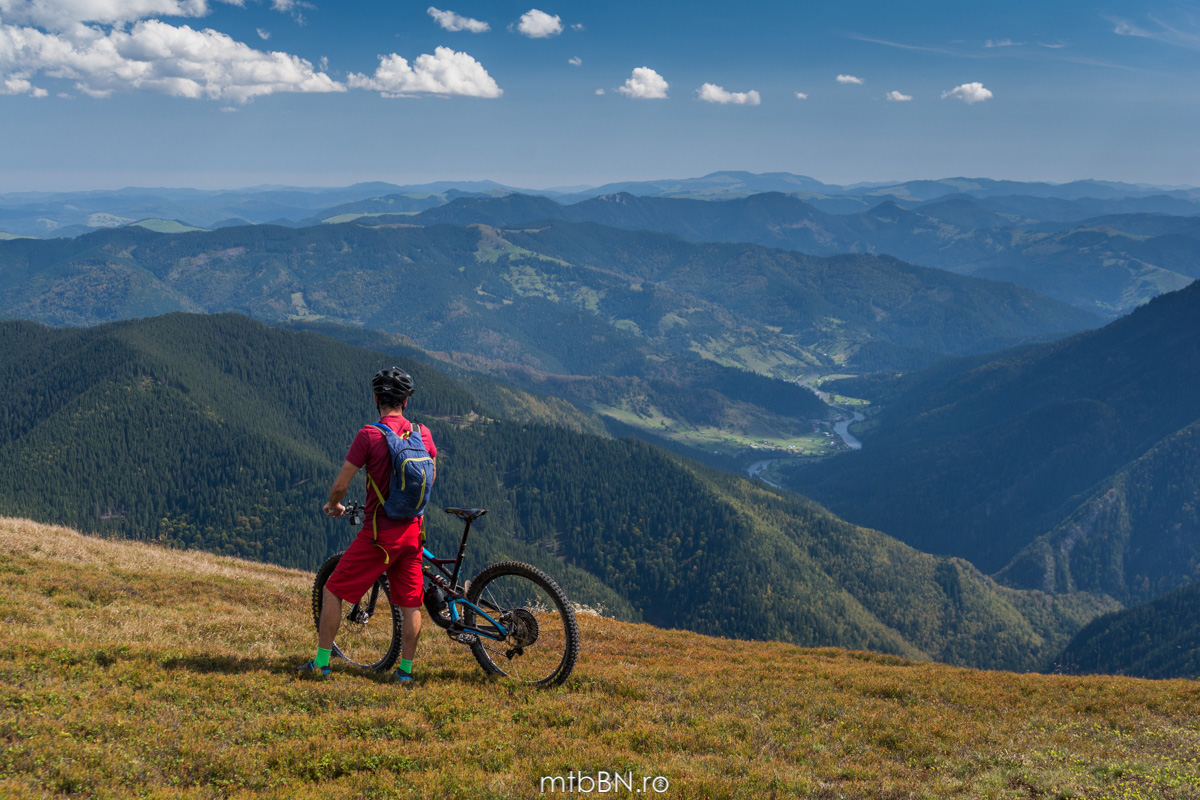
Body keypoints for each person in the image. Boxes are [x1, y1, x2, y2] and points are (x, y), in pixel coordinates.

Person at [298, 366, 436, 684]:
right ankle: (405, 673)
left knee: (333, 590)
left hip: (380, 535)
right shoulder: (423, 433)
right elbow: (430, 478)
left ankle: (321, 663)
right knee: (410, 604)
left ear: (376, 398)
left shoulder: (370, 435)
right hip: (414, 532)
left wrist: (334, 505)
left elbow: (340, 486)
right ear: (405, 401)